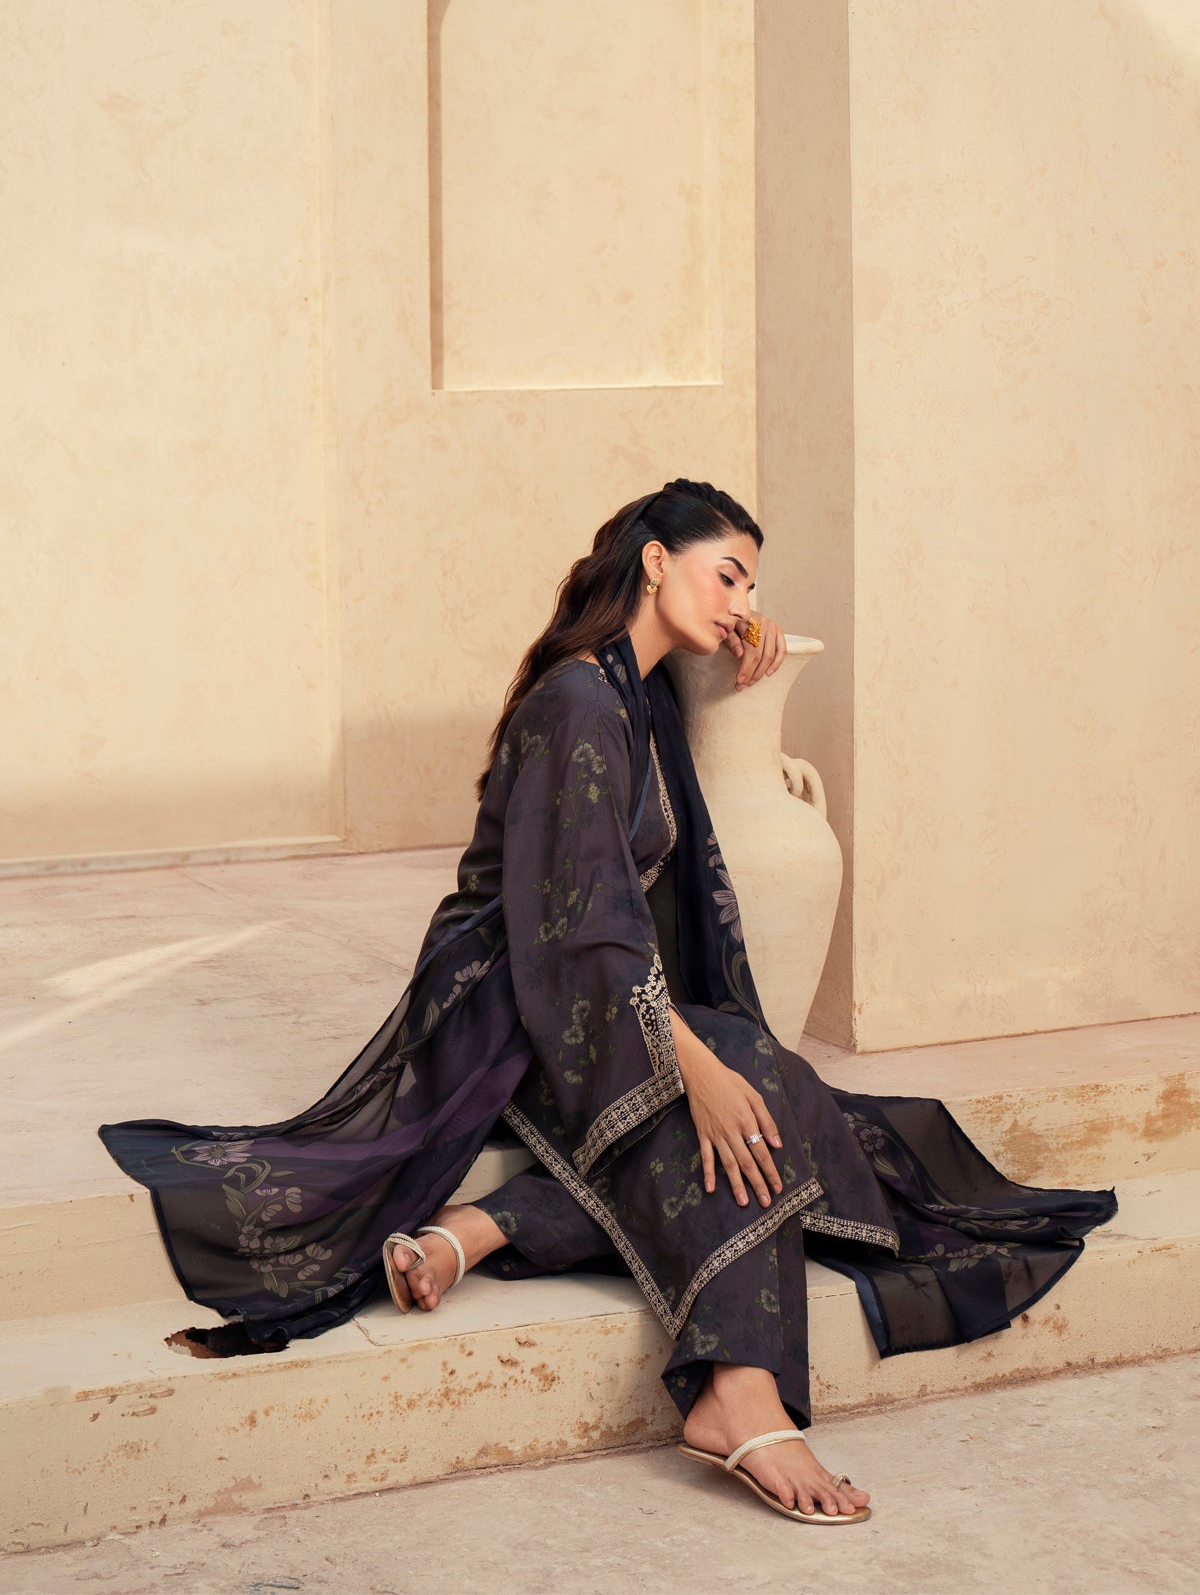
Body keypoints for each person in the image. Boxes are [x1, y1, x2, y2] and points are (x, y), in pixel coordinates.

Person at [100, 478, 1116, 1526]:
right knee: (751, 1093)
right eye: (729, 578)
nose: (742, 605)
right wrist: (693, 1063)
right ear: (655, 562)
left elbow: (620, 915)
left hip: (594, 987)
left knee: (768, 1102)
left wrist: (743, 648)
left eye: (753, 590)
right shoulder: (579, 703)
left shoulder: (636, 689)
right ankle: (740, 1392)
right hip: (512, 1003)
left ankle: (491, 1227)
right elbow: (581, 926)